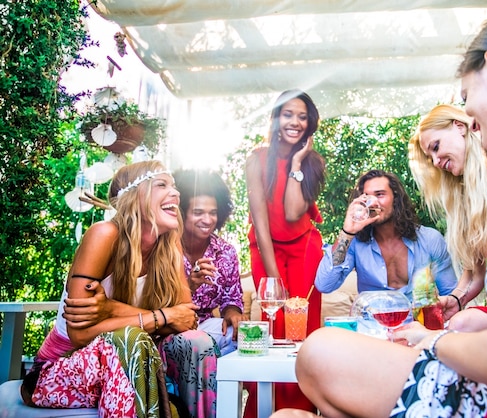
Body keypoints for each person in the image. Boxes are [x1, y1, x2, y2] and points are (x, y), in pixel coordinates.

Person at [271, 6, 487, 418]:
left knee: (317, 354)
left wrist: (431, 340)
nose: (470, 115)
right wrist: (485, 317)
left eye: (465, 96)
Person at [29, 160, 221, 418]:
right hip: (59, 371)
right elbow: (81, 335)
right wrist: (162, 316)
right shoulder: (104, 234)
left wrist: (111, 309)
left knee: (195, 342)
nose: (176, 193)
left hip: (134, 368)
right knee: (131, 339)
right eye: (162, 185)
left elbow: (185, 320)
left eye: (174, 187)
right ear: (134, 195)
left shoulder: (169, 250)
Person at [245, 89, 326, 414]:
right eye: (288, 114)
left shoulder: (312, 162)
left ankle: (302, 411)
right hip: (266, 248)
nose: (294, 122)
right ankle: (265, 410)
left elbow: (294, 212)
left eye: (302, 116)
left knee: (302, 329)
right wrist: (274, 278)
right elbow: (261, 223)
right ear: (276, 119)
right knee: (273, 320)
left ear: (310, 124)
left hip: (305, 249)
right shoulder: (257, 158)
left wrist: (296, 163)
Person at [409, 104, 487, 331]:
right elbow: (476, 273)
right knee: (456, 324)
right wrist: (455, 300)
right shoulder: (468, 201)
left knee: (462, 324)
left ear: (459, 127)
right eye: (430, 157)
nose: (435, 161)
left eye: (436, 147)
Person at [315, 169, 457, 303]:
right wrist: (347, 231)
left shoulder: (429, 239)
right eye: (366, 197)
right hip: (370, 325)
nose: (373, 203)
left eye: (380, 194)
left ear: (396, 199)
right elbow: (324, 285)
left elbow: (450, 292)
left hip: (418, 324)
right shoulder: (355, 243)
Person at [174, 168, 247, 356]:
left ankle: (219, 385)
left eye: (213, 213)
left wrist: (232, 314)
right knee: (197, 344)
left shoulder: (226, 252)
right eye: (198, 212)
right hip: (168, 327)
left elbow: (232, 299)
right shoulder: (164, 248)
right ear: (181, 213)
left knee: (244, 336)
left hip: (205, 327)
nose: (207, 220)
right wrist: (189, 285)